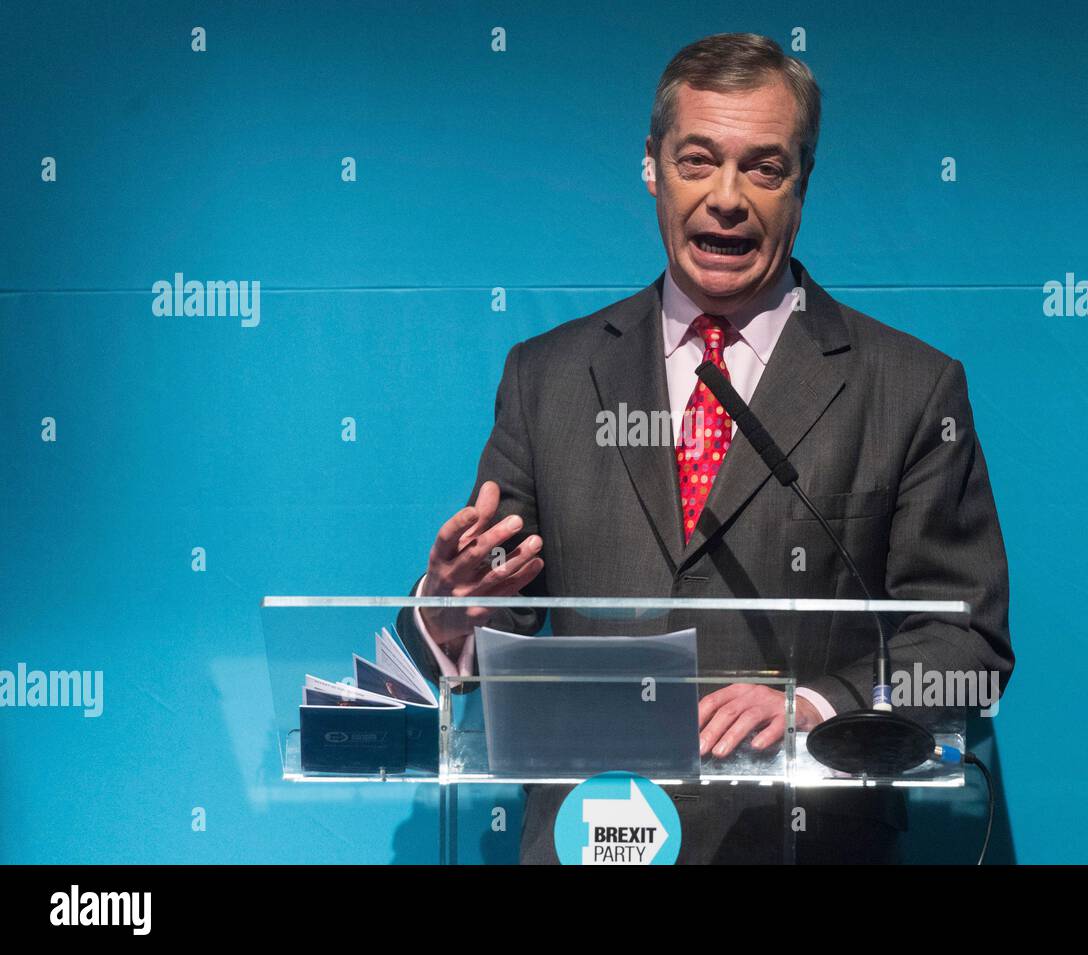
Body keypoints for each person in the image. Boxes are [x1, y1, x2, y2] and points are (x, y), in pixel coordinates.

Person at [395, 32, 1013, 864]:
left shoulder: (909, 388)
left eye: (764, 167)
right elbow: (493, 604)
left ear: (802, 185)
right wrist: (448, 613)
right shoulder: (547, 376)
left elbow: (966, 646)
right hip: (588, 840)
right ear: (651, 168)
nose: (728, 197)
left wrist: (819, 708)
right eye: (697, 160)